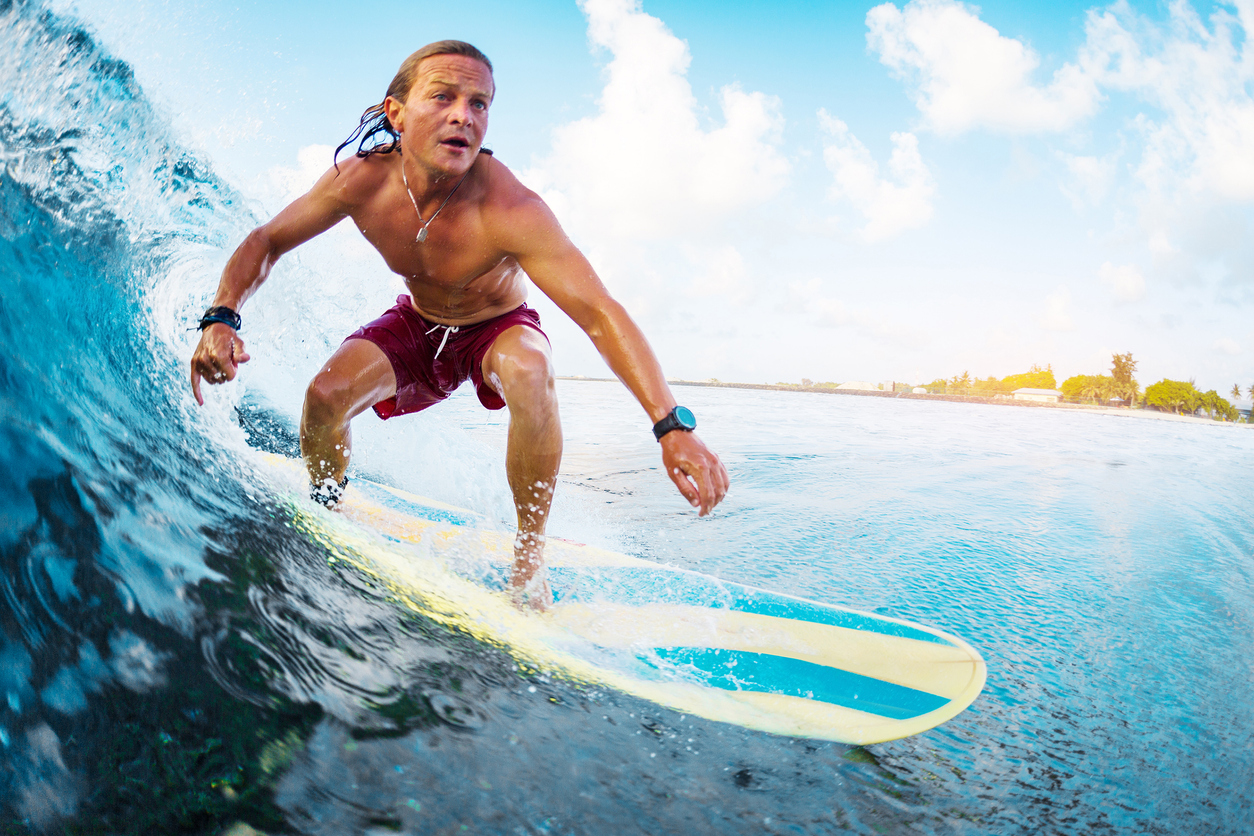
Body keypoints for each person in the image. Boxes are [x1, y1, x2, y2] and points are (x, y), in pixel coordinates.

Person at [189, 40, 729, 609]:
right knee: (325, 396)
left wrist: (671, 425)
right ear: (396, 112)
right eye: (443, 97)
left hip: (497, 329)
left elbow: (599, 313)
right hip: (420, 325)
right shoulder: (362, 182)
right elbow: (267, 241)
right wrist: (222, 317)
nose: (463, 116)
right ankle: (326, 507)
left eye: (479, 103)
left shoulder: (511, 208)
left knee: (529, 366)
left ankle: (528, 562)